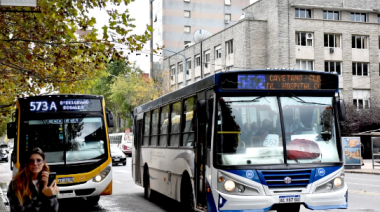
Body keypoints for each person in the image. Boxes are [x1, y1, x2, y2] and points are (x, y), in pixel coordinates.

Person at [7, 147, 59, 212]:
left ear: (43, 163)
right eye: (31, 161)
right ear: (26, 164)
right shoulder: (15, 184)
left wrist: (50, 196)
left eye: (39, 160)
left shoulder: (48, 182)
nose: (35, 163)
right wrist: (45, 196)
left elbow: (54, 210)